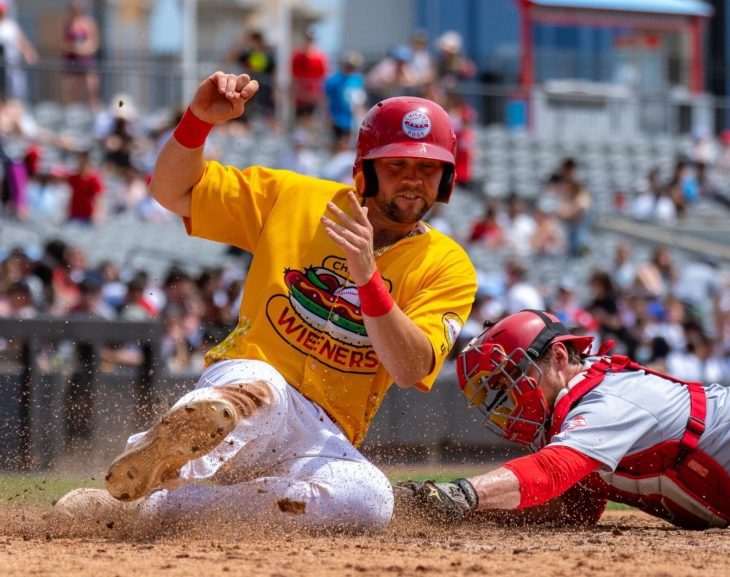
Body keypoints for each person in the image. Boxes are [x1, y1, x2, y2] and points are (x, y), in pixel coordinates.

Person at [53, 71, 477, 533]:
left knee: (369, 500)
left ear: (447, 177)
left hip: (322, 433)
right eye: (397, 165)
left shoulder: (449, 266)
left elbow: (411, 367)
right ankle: (176, 446)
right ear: (366, 168)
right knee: (253, 398)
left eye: (427, 167)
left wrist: (367, 276)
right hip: (253, 378)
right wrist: (197, 121)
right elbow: (171, 192)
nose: (413, 180)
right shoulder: (295, 198)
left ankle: (151, 509)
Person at [398, 309, 730, 529]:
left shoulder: (604, 399)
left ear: (559, 358)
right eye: (498, 391)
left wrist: (460, 495)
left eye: (511, 380)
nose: (507, 402)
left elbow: (551, 469)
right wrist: (434, 513)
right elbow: (569, 508)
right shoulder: (571, 412)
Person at [61, 0, 101, 111]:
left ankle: (94, 111)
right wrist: (73, 48)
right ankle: (71, 113)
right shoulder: (67, 24)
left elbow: (94, 43)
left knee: (90, 88)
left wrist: (83, 49)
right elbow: (62, 42)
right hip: (71, 60)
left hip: (86, 60)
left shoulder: (89, 23)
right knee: (72, 90)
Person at [0, 0, 38, 101]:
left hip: (12, 67)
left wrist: (29, 53)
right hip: (1, 69)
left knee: (16, 94)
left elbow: (22, 43)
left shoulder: (11, 26)